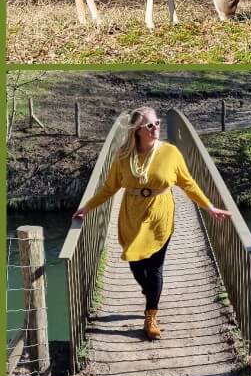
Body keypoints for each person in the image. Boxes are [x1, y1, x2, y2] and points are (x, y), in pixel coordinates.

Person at [72, 106, 231, 340]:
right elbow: (109, 188)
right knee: (136, 264)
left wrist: (209, 206)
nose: (156, 127)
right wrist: (87, 207)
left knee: (155, 267)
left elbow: (188, 184)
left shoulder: (171, 153)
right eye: (150, 125)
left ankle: (150, 317)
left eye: (157, 123)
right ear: (137, 130)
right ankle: (150, 292)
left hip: (160, 213)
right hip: (131, 214)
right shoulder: (124, 157)